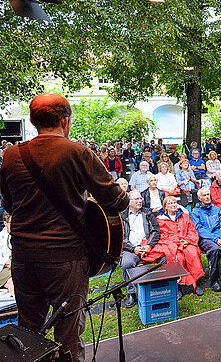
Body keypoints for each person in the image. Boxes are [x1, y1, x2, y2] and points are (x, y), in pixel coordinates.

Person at [0, 93, 129, 362]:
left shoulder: (11, 155)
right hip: (65, 258)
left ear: (34, 121)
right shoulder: (78, 152)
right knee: (69, 335)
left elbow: (10, 205)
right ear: (65, 120)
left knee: (28, 334)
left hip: (24, 259)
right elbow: (117, 201)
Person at [147, 196, 204, 295]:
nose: (173, 205)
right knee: (177, 257)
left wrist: (186, 241)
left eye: (174, 203)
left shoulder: (184, 216)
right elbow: (162, 236)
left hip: (186, 242)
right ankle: (178, 286)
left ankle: (197, 281)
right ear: (165, 207)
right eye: (170, 203)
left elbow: (192, 230)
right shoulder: (160, 220)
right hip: (172, 244)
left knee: (193, 253)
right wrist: (177, 243)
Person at [120, 190, 162, 308]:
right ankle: (132, 293)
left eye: (141, 199)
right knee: (126, 264)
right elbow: (120, 237)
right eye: (136, 199)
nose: (140, 201)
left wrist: (149, 245)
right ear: (129, 202)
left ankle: (158, 289)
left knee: (164, 259)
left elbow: (156, 230)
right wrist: (133, 248)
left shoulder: (147, 213)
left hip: (148, 247)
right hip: (130, 249)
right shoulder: (122, 216)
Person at [0, 212, 14, 296]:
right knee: (12, 282)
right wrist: (6, 262)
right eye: (12, 223)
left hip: (16, 268)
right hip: (4, 270)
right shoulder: (1, 237)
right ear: (5, 223)